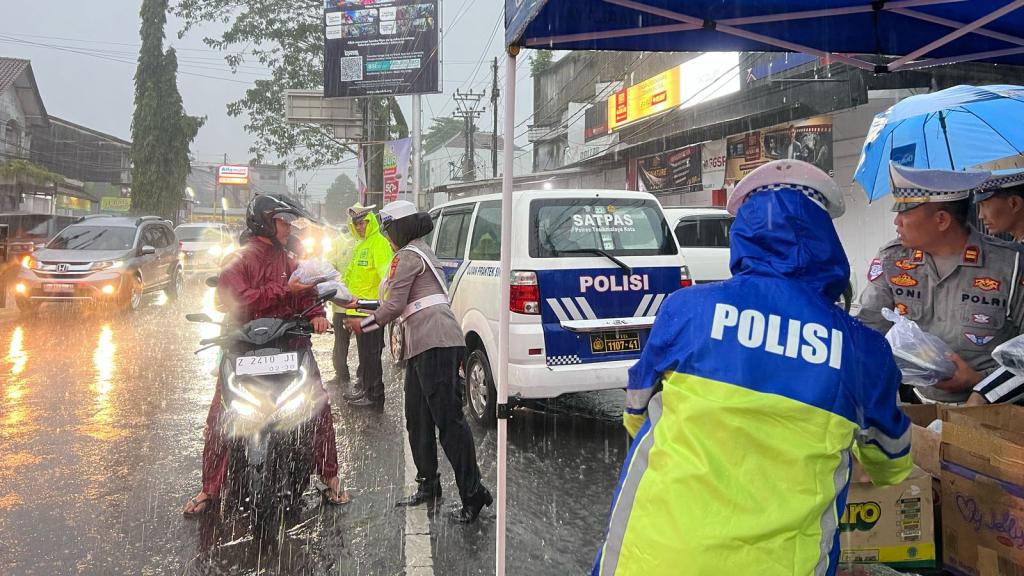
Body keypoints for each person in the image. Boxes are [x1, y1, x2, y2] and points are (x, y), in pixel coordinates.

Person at [593, 160, 912, 576]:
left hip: (652, 556)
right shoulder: (861, 349)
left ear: (742, 237)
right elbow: (891, 463)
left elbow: (635, 412)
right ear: (825, 241)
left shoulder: (687, 310)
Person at [183, 194, 350, 516]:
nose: (288, 229)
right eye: (283, 222)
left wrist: (316, 312)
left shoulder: (289, 260)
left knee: (319, 411)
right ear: (265, 221)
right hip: (244, 349)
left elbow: (307, 294)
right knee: (221, 418)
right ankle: (210, 489)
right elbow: (237, 301)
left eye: (288, 223)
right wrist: (286, 292)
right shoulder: (239, 261)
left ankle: (331, 478)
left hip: (291, 348)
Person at [343, 200, 492, 524]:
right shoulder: (417, 252)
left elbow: (394, 305)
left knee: (449, 422)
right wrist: (361, 304)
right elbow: (398, 300)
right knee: (418, 419)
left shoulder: (409, 256)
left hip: (435, 342)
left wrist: (363, 323)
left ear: (399, 228)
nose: (384, 234)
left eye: (386, 228)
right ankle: (429, 483)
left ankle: (474, 492)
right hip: (423, 344)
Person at [856, 162, 1024, 404]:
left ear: (942, 220)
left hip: (994, 410)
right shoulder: (892, 259)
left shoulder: (1010, 263)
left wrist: (981, 382)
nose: (897, 223)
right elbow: (868, 330)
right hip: (918, 405)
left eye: (905, 213)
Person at [968, 169, 1024, 405]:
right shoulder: (1013, 252)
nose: (980, 215)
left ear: (1013, 203)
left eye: (985, 204)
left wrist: (983, 391)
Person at [342, 203, 394, 407]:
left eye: (363, 222)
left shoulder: (378, 243)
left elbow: (387, 277)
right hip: (357, 309)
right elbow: (352, 275)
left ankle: (374, 395)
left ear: (370, 221)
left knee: (372, 355)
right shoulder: (361, 245)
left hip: (371, 310)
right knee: (365, 355)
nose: (360, 226)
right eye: (357, 224)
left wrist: (384, 306)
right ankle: (366, 389)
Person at [326, 226, 357, 386]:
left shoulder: (339, 243)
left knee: (341, 341)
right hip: (357, 303)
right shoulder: (364, 242)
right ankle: (359, 376)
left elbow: (328, 267)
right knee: (364, 343)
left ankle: (343, 374)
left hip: (348, 303)